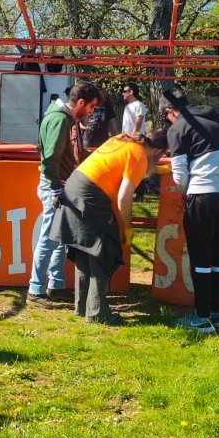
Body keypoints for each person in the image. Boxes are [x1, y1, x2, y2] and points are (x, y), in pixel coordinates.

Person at [50, 130, 170, 324]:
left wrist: (157, 170)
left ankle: (83, 307)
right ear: (158, 151)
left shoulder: (124, 139)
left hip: (73, 186)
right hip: (90, 195)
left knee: (84, 249)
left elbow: (116, 164)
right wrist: (127, 228)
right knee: (104, 251)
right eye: (164, 155)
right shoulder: (139, 155)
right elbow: (124, 197)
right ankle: (98, 312)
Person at [163, 91, 219, 334]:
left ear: (169, 111)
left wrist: (188, 195)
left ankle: (200, 317)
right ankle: (216, 315)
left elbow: (179, 174)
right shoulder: (218, 119)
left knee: (200, 256)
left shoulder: (177, 128)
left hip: (202, 192)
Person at [27, 81, 101, 305]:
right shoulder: (61, 120)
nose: (91, 112)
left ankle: (54, 285)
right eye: (91, 107)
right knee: (50, 237)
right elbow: (50, 159)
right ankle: (36, 289)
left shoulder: (59, 117)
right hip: (56, 185)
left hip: (57, 183)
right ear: (80, 102)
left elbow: (53, 156)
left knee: (59, 238)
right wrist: (57, 188)